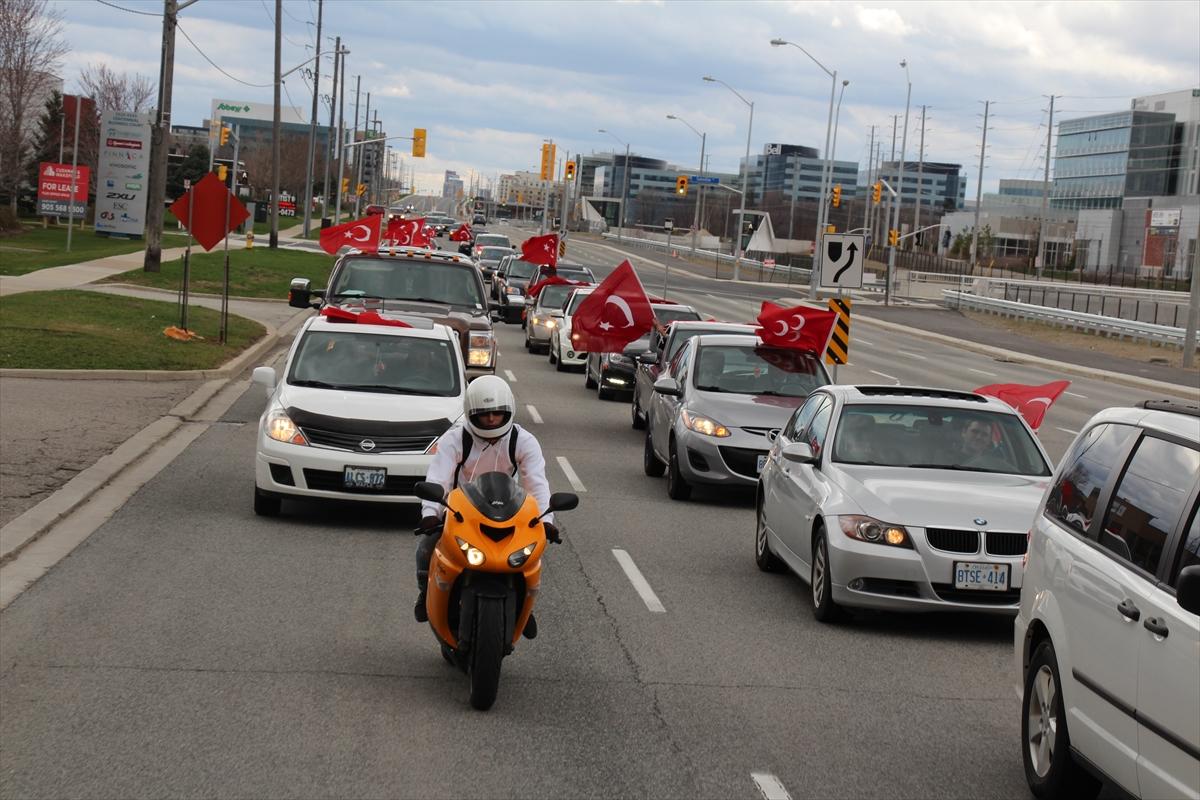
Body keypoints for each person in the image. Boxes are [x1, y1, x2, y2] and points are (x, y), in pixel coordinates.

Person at [413, 375, 557, 628]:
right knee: (426, 547)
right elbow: (439, 478)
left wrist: (546, 520)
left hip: (508, 510)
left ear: (508, 411)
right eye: (484, 413)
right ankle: (425, 593)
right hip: (460, 512)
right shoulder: (455, 439)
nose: (491, 419)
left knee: (531, 557)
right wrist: (430, 513)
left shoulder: (523, 441)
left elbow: (537, 483)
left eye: (497, 413)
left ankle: (524, 608)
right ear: (471, 413)